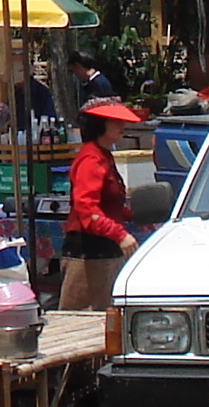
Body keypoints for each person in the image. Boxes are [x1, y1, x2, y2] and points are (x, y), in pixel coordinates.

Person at [58, 99, 144, 313]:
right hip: (89, 253)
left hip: (104, 251)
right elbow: (87, 209)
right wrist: (119, 233)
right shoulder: (91, 159)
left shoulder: (102, 156)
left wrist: (132, 215)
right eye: (114, 122)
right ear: (99, 125)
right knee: (82, 320)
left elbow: (109, 205)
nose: (121, 126)